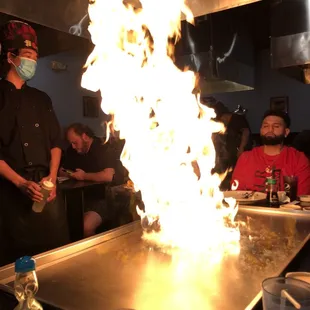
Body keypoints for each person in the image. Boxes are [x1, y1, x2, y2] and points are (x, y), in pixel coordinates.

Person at [0, 20, 69, 265]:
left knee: (55, 259)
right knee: (14, 266)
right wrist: (20, 183)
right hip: (11, 196)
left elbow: (55, 143)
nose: (33, 61)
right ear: (11, 56)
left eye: (35, 56)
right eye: (28, 54)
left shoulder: (41, 99)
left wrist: (51, 179)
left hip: (46, 195)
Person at [61, 123, 122, 237]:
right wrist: (71, 174)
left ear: (84, 136)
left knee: (85, 227)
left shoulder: (102, 146)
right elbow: (62, 170)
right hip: (80, 198)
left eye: (75, 142)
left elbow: (108, 176)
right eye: (71, 143)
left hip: (103, 198)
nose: (73, 146)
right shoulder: (73, 150)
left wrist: (84, 176)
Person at [232, 110, 310, 195]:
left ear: (286, 132)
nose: (270, 129)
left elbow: (302, 196)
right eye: (265, 126)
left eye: (276, 126)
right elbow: (237, 193)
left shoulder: (298, 159)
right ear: (261, 130)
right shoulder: (245, 157)